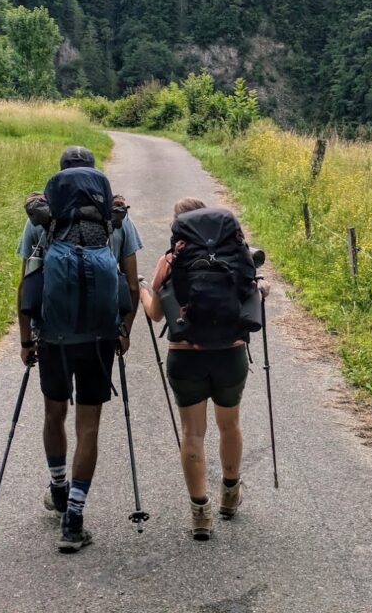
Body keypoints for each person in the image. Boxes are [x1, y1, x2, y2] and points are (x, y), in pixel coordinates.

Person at [17, 145, 142, 552]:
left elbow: (28, 285)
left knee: (55, 413)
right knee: (89, 425)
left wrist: (25, 339)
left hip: (53, 336)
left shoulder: (44, 220)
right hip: (99, 336)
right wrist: (124, 329)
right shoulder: (115, 220)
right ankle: (74, 517)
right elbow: (133, 285)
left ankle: (57, 488)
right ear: (95, 175)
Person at [140, 197, 265, 541]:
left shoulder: (170, 260)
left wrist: (141, 290)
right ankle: (229, 493)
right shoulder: (235, 256)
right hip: (230, 355)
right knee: (230, 425)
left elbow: (155, 313)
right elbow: (253, 295)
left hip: (186, 356)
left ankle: (200, 513)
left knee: (193, 434)